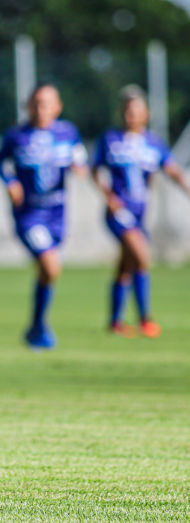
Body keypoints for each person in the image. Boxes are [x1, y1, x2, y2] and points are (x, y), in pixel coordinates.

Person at [0, 84, 88, 350]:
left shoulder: (67, 132)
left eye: (46, 103)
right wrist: (10, 181)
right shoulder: (17, 135)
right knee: (49, 265)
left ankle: (36, 327)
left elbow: (79, 155)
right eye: (36, 102)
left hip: (57, 214)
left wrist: (80, 166)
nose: (41, 108)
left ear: (58, 107)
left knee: (48, 272)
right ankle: (38, 326)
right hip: (29, 215)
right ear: (28, 105)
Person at [93, 85, 190, 338]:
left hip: (139, 214)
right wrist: (108, 196)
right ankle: (146, 319)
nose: (131, 115)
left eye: (136, 110)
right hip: (119, 213)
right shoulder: (110, 139)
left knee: (127, 266)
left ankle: (115, 322)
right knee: (142, 257)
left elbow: (172, 171)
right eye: (126, 110)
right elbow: (95, 170)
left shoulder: (153, 143)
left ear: (145, 113)